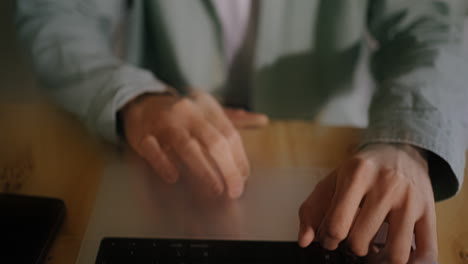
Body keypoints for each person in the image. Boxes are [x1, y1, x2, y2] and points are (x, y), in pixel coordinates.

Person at [16, 0, 468, 263]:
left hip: (333, 146)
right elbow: (56, 15)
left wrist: (407, 140)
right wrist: (134, 98)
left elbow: (435, 25)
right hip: (163, 143)